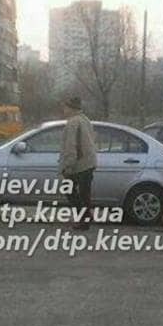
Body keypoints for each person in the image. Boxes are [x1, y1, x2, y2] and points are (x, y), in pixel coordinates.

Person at [58, 95, 97, 231]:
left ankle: (84, 219)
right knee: (84, 193)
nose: (63, 109)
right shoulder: (85, 120)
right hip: (89, 162)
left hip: (79, 164)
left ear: (71, 108)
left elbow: (71, 146)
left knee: (69, 189)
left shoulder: (73, 122)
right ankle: (86, 216)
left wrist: (68, 166)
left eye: (65, 107)